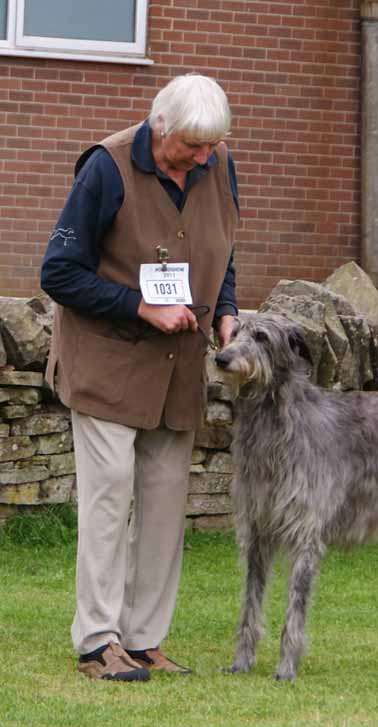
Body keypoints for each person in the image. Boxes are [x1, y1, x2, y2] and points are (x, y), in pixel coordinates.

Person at [40, 74, 239, 682]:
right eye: (191, 147)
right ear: (159, 127)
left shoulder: (218, 163)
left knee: (164, 503)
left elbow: (223, 252)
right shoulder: (105, 168)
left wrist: (227, 310)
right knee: (109, 499)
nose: (202, 159)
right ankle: (98, 642)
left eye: (211, 147)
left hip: (177, 370)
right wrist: (140, 307)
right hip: (106, 363)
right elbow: (59, 272)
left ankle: (145, 638)